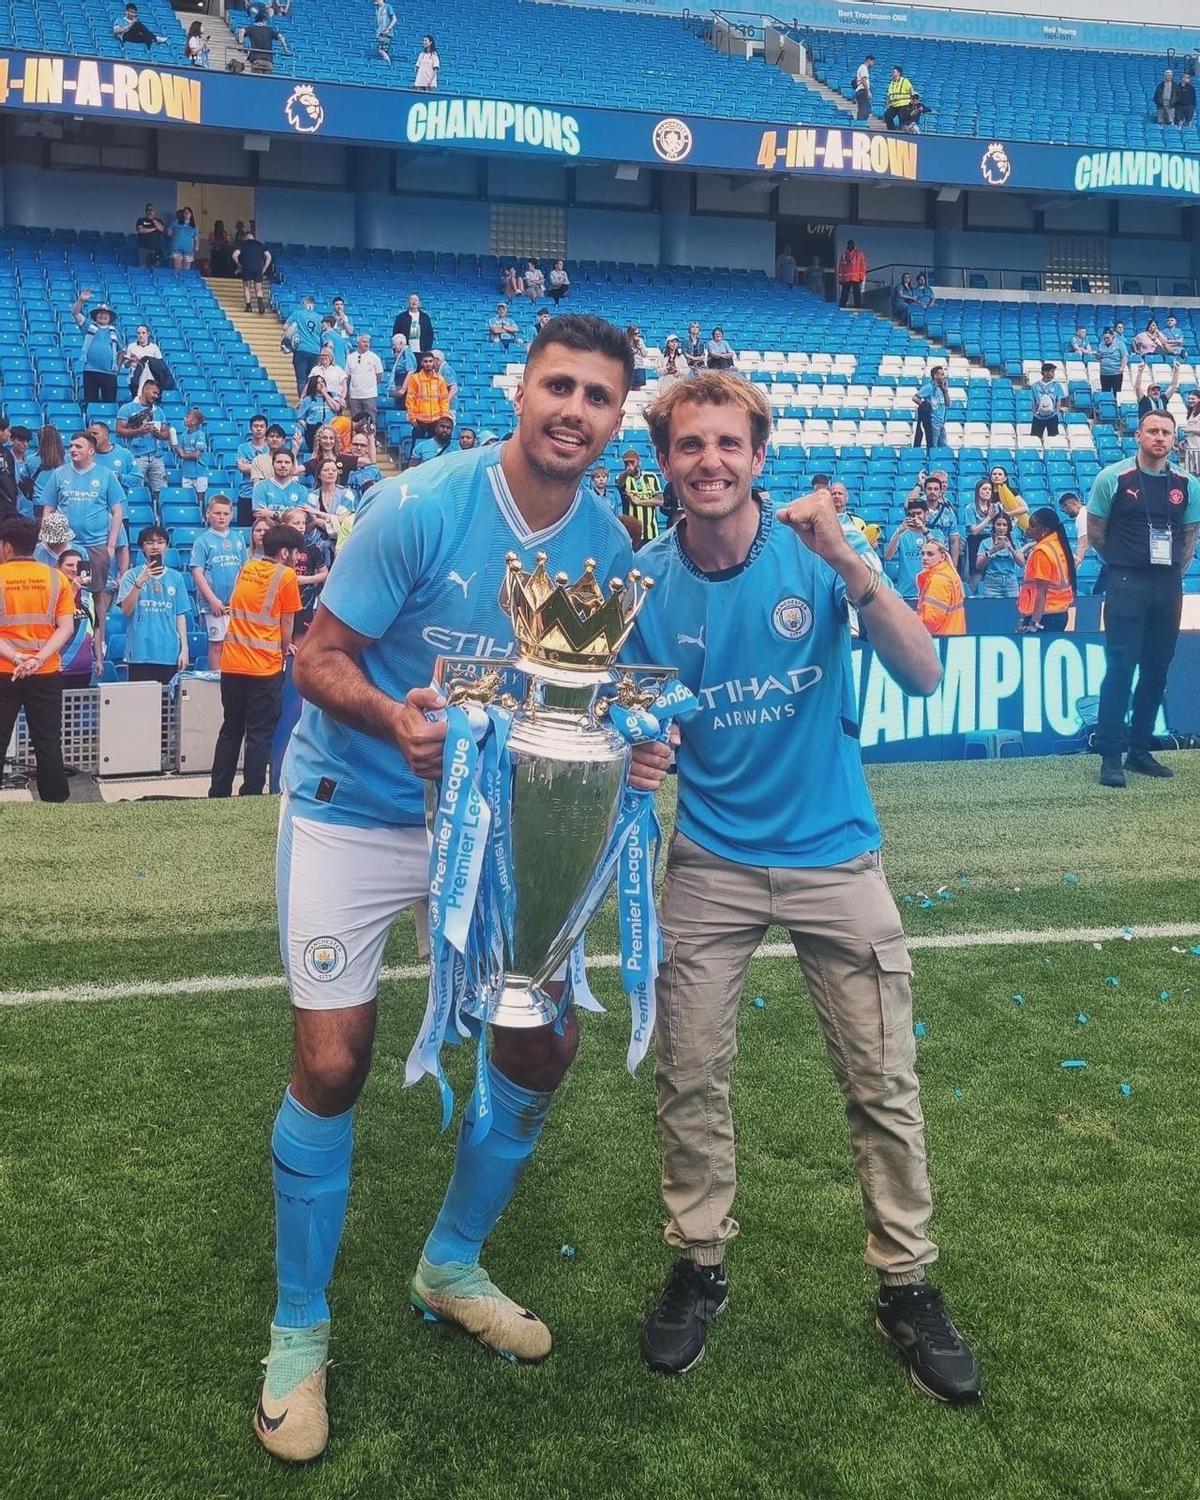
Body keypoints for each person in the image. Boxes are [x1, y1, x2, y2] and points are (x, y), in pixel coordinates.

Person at [257, 315, 658, 1464]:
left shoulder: (611, 553)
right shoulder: (420, 505)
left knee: (541, 1046)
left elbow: (586, 700)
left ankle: (450, 1263)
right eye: (559, 387)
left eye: (598, 397)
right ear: (520, 392)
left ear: (617, 418)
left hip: (499, 831)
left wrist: (630, 747)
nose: (576, 410)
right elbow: (317, 656)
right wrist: (395, 719)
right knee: (331, 1061)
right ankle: (298, 1333)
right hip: (354, 804)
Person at [627, 373, 978, 1401]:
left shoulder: (819, 559)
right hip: (713, 863)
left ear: (759, 457)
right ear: (666, 464)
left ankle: (905, 1286)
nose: (710, 462)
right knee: (689, 1075)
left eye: (729, 445)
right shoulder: (646, 588)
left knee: (881, 1083)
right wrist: (641, 749)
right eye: (690, 446)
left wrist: (850, 561)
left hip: (837, 856)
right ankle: (699, 1266)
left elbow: (921, 674)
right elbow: (637, 724)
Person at [1087, 410, 1200, 787]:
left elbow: (1188, 537)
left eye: (1166, 432)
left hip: (1167, 586)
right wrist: (1124, 564)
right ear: (1138, 435)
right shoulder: (1112, 478)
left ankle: (1139, 749)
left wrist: (1171, 575)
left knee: (1157, 668)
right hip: (1125, 581)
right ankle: (1110, 755)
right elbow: (1097, 533)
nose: (1160, 437)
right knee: (1120, 667)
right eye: (1153, 430)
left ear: (1174, 438)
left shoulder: (1188, 484)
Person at [209, 523, 303, 799]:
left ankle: (218, 791)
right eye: (296, 553)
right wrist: (285, 650)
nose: (298, 558)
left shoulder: (246, 567)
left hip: (232, 664)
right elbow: (287, 626)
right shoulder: (286, 576)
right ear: (285, 552)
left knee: (231, 729)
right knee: (260, 734)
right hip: (265, 667)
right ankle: (251, 793)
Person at [0, 516, 75, 802]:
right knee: (47, 740)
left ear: (6, 547)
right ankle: (55, 803)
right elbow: (65, 628)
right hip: (45, 672)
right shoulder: (57, 579)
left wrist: (18, 657)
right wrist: (37, 659)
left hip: (4, 671)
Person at [38, 431, 125, 667]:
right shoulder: (59, 474)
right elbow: (48, 508)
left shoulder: (106, 475)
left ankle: (97, 644)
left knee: (96, 597)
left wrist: (110, 545)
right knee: (57, 593)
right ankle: (53, 643)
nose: (73, 449)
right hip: (62, 546)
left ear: (91, 450)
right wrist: (46, 538)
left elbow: (117, 511)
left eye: (78, 446)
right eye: (71, 446)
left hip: (94, 545)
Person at [117, 525, 190, 683]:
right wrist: (139, 583)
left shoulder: (176, 578)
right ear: (142, 546)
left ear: (167, 546)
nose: (155, 546)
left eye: (160, 542)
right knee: (142, 704)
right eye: (150, 542)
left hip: (168, 652)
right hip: (139, 653)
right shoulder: (131, 576)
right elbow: (126, 610)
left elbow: (180, 615)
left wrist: (184, 648)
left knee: (166, 704)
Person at [190, 495, 246, 672]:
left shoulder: (238, 539)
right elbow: (197, 572)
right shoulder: (203, 541)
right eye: (217, 513)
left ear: (231, 515)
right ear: (208, 514)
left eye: (225, 513)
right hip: (213, 604)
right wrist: (213, 600)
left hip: (236, 603)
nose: (221, 517)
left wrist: (239, 598)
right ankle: (215, 683)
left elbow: (244, 570)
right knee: (217, 645)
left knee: (237, 645)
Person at [1016, 507, 1075, 635]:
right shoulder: (1057, 545)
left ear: (1045, 531)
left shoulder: (1042, 552)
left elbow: (1041, 592)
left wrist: (1034, 623)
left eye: (1032, 526)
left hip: (1045, 615)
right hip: (1059, 612)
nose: (1028, 528)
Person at [116, 379, 170, 504]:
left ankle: (159, 517)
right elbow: (119, 430)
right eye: (154, 393)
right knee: (135, 490)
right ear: (145, 390)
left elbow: (166, 433)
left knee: (161, 492)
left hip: (157, 456)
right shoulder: (127, 409)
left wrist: (159, 434)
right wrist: (138, 431)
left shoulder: (159, 411)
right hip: (136, 456)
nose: (156, 396)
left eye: (158, 394)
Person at [70, 290, 121, 406]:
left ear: (110, 317)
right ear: (95, 316)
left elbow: (121, 351)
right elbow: (75, 313)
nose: (103, 315)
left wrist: (117, 368)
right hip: (91, 371)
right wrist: (81, 300)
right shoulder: (88, 326)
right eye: (100, 313)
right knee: (91, 403)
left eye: (106, 314)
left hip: (110, 374)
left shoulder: (115, 332)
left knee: (110, 404)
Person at [56, 550, 97, 688]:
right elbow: (53, 623)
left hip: (84, 666)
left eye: (78, 565)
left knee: (79, 709)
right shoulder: (53, 592)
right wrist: (72, 590)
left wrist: (99, 659)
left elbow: (94, 626)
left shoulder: (87, 594)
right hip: (59, 666)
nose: (74, 569)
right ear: (58, 567)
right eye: (69, 565)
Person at [915, 537, 966, 635]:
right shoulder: (948, 573)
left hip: (940, 638)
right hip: (954, 634)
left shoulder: (939, 579)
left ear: (942, 557)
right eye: (923, 554)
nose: (924, 557)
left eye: (930, 554)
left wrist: (910, 620)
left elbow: (931, 620)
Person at [616, 448, 666, 542]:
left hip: (651, 531)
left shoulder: (651, 477)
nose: (629, 465)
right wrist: (627, 472)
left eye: (632, 462)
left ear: (639, 461)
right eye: (626, 463)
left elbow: (660, 501)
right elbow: (619, 482)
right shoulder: (622, 477)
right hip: (632, 533)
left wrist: (638, 501)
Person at [884, 497, 928, 598]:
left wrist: (924, 530)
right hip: (905, 592)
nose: (915, 517)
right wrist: (899, 531)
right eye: (912, 515)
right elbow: (888, 556)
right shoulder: (902, 534)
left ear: (926, 513)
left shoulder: (935, 534)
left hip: (929, 593)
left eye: (919, 513)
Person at [403, 351, 451, 441]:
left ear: (433, 362)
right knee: (416, 446)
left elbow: (444, 400)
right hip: (419, 420)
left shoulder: (440, 380)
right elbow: (410, 399)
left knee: (435, 446)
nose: (428, 364)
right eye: (425, 361)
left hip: (436, 420)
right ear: (421, 363)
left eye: (430, 361)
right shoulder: (415, 378)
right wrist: (411, 416)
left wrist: (444, 417)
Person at [283, 293, 325, 396]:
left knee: (301, 378)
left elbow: (285, 327)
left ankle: (303, 402)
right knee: (311, 378)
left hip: (301, 349)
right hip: (315, 351)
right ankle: (311, 400)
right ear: (313, 305)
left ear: (305, 303)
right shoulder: (320, 318)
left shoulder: (297, 313)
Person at [975, 513, 1023, 599]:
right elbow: (979, 566)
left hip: (1011, 583)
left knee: (1012, 610)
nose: (1001, 528)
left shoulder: (1015, 543)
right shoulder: (985, 542)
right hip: (992, 584)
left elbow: (1021, 563)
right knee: (992, 610)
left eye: (1004, 525)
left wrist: (1011, 548)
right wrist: (992, 550)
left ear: (1008, 527)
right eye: (998, 524)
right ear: (994, 526)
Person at [236, 415, 270, 527]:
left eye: (262, 426)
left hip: (267, 496)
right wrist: (265, 466)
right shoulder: (243, 447)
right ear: (251, 429)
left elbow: (275, 468)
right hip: (247, 494)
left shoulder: (271, 448)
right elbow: (242, 467)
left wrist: (251, 465)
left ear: (266, 428)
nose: (259, 429)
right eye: (255, 426)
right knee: (245, 529)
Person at [293, 376, 342, 454]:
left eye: (322, 382)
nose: (321, 384)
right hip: (313, 429)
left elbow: (336, 408)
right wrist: (306, 426)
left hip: (330, 428)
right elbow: (300, 417)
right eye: (318, 382)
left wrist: (325, 394)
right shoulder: (308, 400)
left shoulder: (332, 395)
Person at [964, 478, 998, 587]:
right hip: (976, 541)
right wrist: (988, 518)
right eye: (984, 489)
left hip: (991, 539)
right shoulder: (970, 508)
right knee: (976, 571)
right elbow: (974, 531)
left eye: (989, 489)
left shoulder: (995, 507)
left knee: (992, 570)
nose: (987, 491)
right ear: (978, 491)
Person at [343, 335, 384, 425]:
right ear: (358, 343)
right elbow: (348, 376)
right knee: (356, 423)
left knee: (370, 423)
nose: (366, 344)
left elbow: (379, 374)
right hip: (354, 396)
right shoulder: (350, 358)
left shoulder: (374, 358)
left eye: (368, 342)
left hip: (369, 395)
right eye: (364, 342)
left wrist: (371, 386)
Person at [232, 229, 273, 315]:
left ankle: (248, 306)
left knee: (247, 287)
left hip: (246, 267)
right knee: (259, 288)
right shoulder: (260, 245)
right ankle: (260, 303)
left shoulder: (243, 244)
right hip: (258, 268)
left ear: (246, 238)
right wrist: (264, 269)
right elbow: (269, 257)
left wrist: (239, 265)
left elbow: (234, 256)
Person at [255, 450, 309, 515]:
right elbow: (260, 514)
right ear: (272, 464)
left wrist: (274, 515)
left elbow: (300, 517)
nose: (283, 465)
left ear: (292, 465)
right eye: (279, 462)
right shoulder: (261, 487)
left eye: (287, 462)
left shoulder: (301, 490)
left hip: (292, 525)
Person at [239, 7, 291, 74]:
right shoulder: (270, 30)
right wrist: (285, 49)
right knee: (267, 82)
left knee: (257, 81)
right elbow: (280, 37)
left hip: (256, 59)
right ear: (264, 20)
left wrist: (240, 43)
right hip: (268, 60)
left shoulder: (251, 28)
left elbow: (241, 30)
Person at [912, 365, 949, 454]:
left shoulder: (941, 388)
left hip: (941, 422)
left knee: (943, 446)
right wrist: (924, 405)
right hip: (934, 421)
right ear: (936, 376)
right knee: (933, 447)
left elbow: (948, 403)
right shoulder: (929, 387)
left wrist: (945, 391)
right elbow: (915, 397)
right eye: (942, 374)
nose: (944, 376)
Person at [174, 408, 209, 500]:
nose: (184, 418)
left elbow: (196, 454)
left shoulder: (200, 435)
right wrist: (175, 447)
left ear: (194, 422)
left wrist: (183, 455)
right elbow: (179, 452)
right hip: (186, 473)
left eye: (187, 417)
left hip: (199, 473)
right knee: (187, 498)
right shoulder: (183, 435)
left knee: (200, 498)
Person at [1030, 362, 1067, 439]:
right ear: (1045, 372)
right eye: (1052, 372)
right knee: (1035, 438)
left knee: (1053, 438)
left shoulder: (1057, 386)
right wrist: (1034, 413)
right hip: (1038, 416)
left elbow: (1058, 400)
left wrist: (1056, 413)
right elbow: (1033, 401)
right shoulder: (1035, 386)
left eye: (1053, 372)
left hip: (1052, 416)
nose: (1053, 374)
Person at [989, 465, 1030, 534]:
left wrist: (1008, 514)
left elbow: (1025, 508)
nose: (996, 476)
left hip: (1008, 527)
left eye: (1000, 474)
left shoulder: (1011, 491)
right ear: (991, 477)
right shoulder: (987, 492)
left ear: (1005, 478)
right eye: (994, 474)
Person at [1058, 491, 1090, 568]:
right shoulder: (1088, 511)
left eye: (1063, 508)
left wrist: (1075, 565)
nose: (1065, 513)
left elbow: (1083, 543)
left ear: (1068, 504)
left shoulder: (1082, 516)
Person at [1097, 328, 1127, 396]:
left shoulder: (1120, 344)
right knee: (1105, 393)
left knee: (1117, 393)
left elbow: (1124, 356)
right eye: (1104, 338)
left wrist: (1122, 367)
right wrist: (1097, 357)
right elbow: (1099, 357)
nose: (1106, 340)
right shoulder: (1101, 345)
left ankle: (1117, 405)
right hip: (1104, 373)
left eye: (1107, 338)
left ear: (1112, 336)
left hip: (1116, 373)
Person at [837, 240, 867, 308]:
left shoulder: (859, 253)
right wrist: (840, 279)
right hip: (846, 278)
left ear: (854, 245)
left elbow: (863, 266)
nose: (849, 246)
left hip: (855, 277)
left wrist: (861, 277)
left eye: (851, 244)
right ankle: (841, 306)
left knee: (856, 293)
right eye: (848, 244)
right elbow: (840, 267)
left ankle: (858, 306)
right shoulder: (844, 254)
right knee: (844, 293)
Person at [884, 65, 914, 130]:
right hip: (894, 105)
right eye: (892, 72)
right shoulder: (892, 83)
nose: (892, 73)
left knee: (902, 119)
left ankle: (902, 133)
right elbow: (889, 95)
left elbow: (911, 90)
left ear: (899, 73)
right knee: (887, 115)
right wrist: (887, 104)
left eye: (894, 72)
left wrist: (912, 102)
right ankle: (891, 131)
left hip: (904, 104)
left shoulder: (905, 81)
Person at [1180, 388, 1200, 476]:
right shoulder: (1191, 413)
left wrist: (1189, 430)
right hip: (1189, 448)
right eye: (1189, 398)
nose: (1190, 400)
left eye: (1193, 398)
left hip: (1198, 449)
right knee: (1190, 475)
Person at [854, 53, 874, 120]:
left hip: (862, 91)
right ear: (868, 60)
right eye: (872, 62)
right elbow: (863, 80)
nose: (873, 64)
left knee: (865, 110)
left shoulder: (863, 68)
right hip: (862, 91)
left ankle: (862, 124)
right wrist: (868, 92)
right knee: (863, 110)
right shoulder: (863, 67)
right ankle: (860, 125)